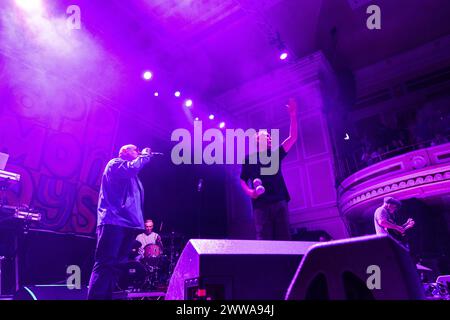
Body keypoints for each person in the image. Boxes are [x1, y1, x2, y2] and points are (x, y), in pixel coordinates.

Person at [87, 144, 152, 300]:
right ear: (124, 152)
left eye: (138, 150)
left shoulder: (133, 176)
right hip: (113, 221)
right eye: (134, 149)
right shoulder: (115, 164)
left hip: (128, 225)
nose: (137, 151)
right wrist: (144, 156)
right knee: (106, 264)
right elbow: (131, 168)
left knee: (116, 266)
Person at [240, 98, 298, 240]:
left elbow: (293, 137)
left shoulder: (275, 154)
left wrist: (293, 115)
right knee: (265, 244)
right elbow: (242, 179)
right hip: (260, 206)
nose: (270, 138)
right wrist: (250, 192)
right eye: (267, 136)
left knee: (285, 240)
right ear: (257, 140)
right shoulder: (248, 159)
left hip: (279, 201)